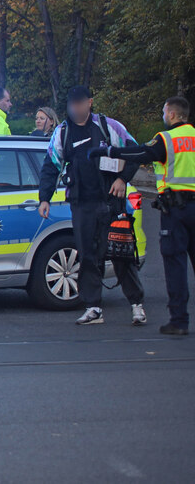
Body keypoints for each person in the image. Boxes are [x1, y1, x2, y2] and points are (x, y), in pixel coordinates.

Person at [38, 86, 144, 326]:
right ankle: (93, 307)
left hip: (111, 202)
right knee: (87, 256)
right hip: (82, 204)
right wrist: (44, 197)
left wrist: (122, 179)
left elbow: (135, 151)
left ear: (90, 103)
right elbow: (51, 165)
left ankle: (137, 304)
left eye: (79, 103)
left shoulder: (109, 127)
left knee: (121, 255)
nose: (75, 108)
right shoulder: (62, 133)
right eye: (71, 104)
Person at [90, 96, 194, 335]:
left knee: (176, 265)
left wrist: (110, 150)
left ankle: (179, 321)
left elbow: (142, 154)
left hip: (176, 211)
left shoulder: (167, 139)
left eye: (163, 112)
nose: (163, 116)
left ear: (172, 114)